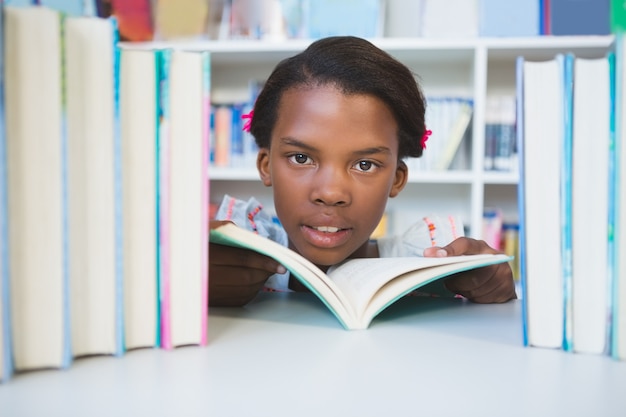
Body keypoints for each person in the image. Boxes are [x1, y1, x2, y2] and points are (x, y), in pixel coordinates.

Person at [209, 36, 516, 307]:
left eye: (364, 165)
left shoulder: (427, 263)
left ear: (397, 179)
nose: (331, 193)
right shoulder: (225, 259)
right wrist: (187, 285)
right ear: (266, 166)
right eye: (301, 158)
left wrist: (496, 290)